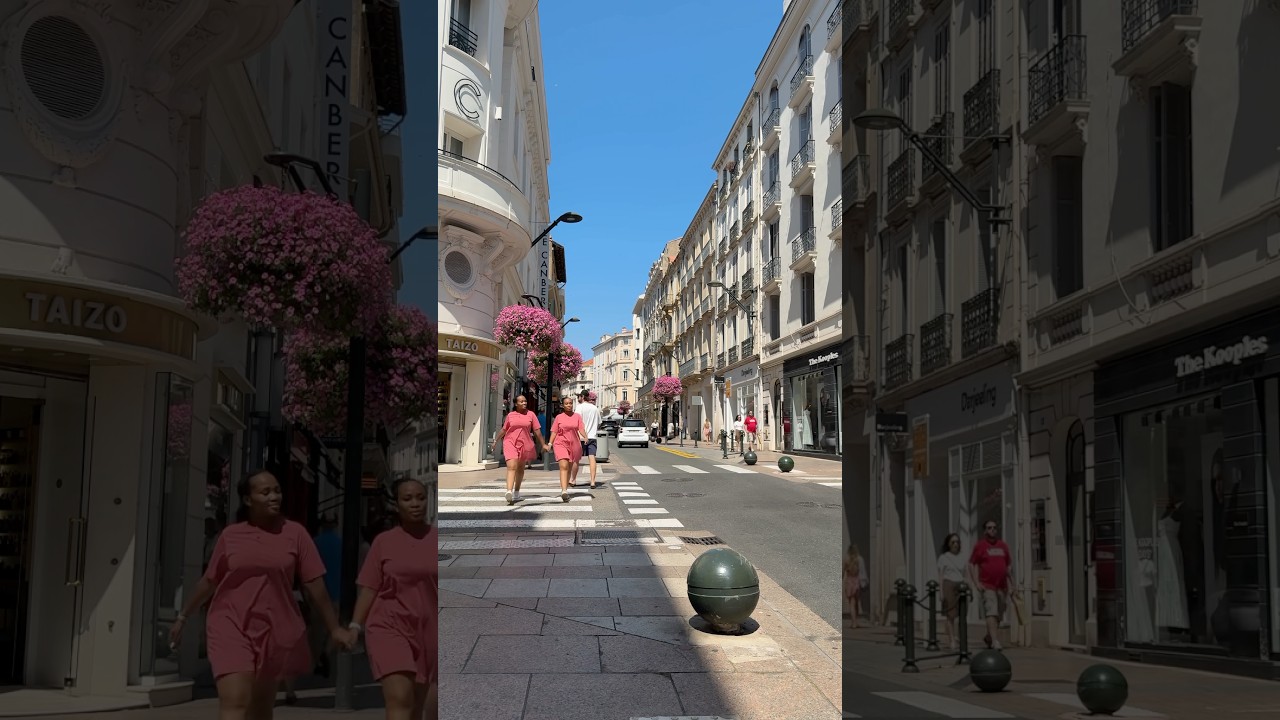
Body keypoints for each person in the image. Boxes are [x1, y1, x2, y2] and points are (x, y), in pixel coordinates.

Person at [170, 470, 356, 720]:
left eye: (277, 490)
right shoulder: (231, 536)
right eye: (265, 492)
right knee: (235, 699)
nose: (274, 496)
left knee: (260, 707)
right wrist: (183, 617)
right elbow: (209, 581)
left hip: (273, 628)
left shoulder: (295, 534)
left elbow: (314, 584)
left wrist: (334, 628)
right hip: (230, 623)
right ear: (248, 500)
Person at [351, 477, 438, 720]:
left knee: (417, 706)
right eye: (407, 499)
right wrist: (355, 626)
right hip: (388, 626)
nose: (415, 504)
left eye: (421, 498)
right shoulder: (384, 542)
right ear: (396, 504)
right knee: (400, 697)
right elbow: (369, 588)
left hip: (429, 630)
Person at [491, 395, 549, 506]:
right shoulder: (510, 415)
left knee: (521, 469)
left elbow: (537, 431)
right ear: (516, 404)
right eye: (521, 401)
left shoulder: (531, 414)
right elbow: (504, 430)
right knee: (512, 466)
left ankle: (516, 491)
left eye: (525, 401)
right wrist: (495, 441)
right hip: (510, 442)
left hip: (525, 444)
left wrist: (543, 444)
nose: (524, 403)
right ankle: (509, 491)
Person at [969, 520, 1017, 650]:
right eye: (989, 528)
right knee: (991, 612)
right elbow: (972, 563)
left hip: (1002, 586)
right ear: (985, 531)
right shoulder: (980, 546)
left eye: (995, 528)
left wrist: (1012, 585)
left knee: (999, 615)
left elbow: (1008, 566)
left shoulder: (1003, 546)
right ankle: (995, 641)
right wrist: (976, 582)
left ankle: (989, 636)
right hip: (987, 585)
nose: (992, 530)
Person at [548, 396, 588, 502]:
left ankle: (565, 487)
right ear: (563, 405)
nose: (569, 405)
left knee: (569, 468)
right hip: (560, 443)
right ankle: (564, 490)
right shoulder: (559, 417)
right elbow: (554, 431)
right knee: (564, 466)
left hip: (574, 444)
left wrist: (585, 436)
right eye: (566, 403)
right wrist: (550, 443)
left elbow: (581, 428)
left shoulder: (577, 416)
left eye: (570, 403)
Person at [938, 533, 966, 650]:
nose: (955, 544)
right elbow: (941, 575)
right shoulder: (944, 557)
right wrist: (941, 592)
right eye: (953, 542)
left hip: (961, 585)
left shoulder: (962, 556)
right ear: (948, 544)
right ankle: (952, 639)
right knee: (950, 615)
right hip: (948, 584)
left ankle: (961, 638)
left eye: (957, 542)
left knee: (962, 613)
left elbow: (966, 573)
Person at [571, 391, 602, 489]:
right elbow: (599, 423)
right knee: (592, 458)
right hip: (592, 436)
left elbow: (576, 422)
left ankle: (573, 480)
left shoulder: (579, 407)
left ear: (582, 397)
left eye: (579, 396)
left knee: (576, 459)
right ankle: (592, 481)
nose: (577, 398)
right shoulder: (595, 408)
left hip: (580, 437)